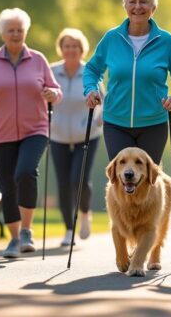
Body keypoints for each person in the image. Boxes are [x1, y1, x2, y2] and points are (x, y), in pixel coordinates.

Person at [0, 7, 62, 258]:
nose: (16, 34)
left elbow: (56, 90)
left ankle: (26, 231)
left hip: (36, 129)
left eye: (20, 30)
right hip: (0, 133)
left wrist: (52, 94)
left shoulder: (39, 59)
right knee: (7, 185)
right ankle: (12, 239)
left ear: (25, 32)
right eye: (11, 30)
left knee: (25, 172)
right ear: (2, 33)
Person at [84, 0, 171, 164]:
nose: (137, 6)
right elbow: (92, 69)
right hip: (116, 122)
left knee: (147, 182)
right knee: (120, 180)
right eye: (132, 2)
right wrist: (90, 89)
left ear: (153, 7)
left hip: (154, 124)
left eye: (144, 2)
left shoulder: (166, 41)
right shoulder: (112, 38)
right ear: (125, 6)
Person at [50, 28, 104, 246]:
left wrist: (98, 120)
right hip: (57, 134)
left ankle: (84, 212)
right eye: (67, 45)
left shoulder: (89, 72)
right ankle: (69, 230)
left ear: (82, 49)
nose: (71, 49)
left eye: (75, 46)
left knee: (78, 179)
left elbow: (104, 100)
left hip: (87, 135)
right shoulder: (52, 71)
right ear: (61, 49)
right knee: (63, 183)